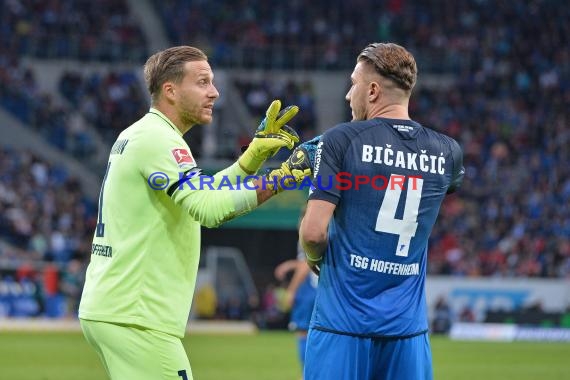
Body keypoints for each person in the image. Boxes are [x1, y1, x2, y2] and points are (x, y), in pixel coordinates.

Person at [78, 46, 312, 380]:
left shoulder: (142, 134)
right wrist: (282, 178)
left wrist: (251, 160)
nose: (214, 92)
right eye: (202, 82)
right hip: (137, 315)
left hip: (119, 308)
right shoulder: (159, 140)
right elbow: (208, 209)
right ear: (170, 91)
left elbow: (201, 194)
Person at [300, 42, 464, 380]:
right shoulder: (448, 151)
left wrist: (315, 259)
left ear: (372, 91)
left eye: (354, 84)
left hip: (341, 326)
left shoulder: (340, 140)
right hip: (408, 331)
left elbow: (313, 233)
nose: (348, 95)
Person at [274, 211, 318, 378]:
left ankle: (307, 373)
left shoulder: (307, 234)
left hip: (310, 290)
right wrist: (289, 265)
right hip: (320, 288)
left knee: (302, 332)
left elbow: (306, 265)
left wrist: (291, 291)